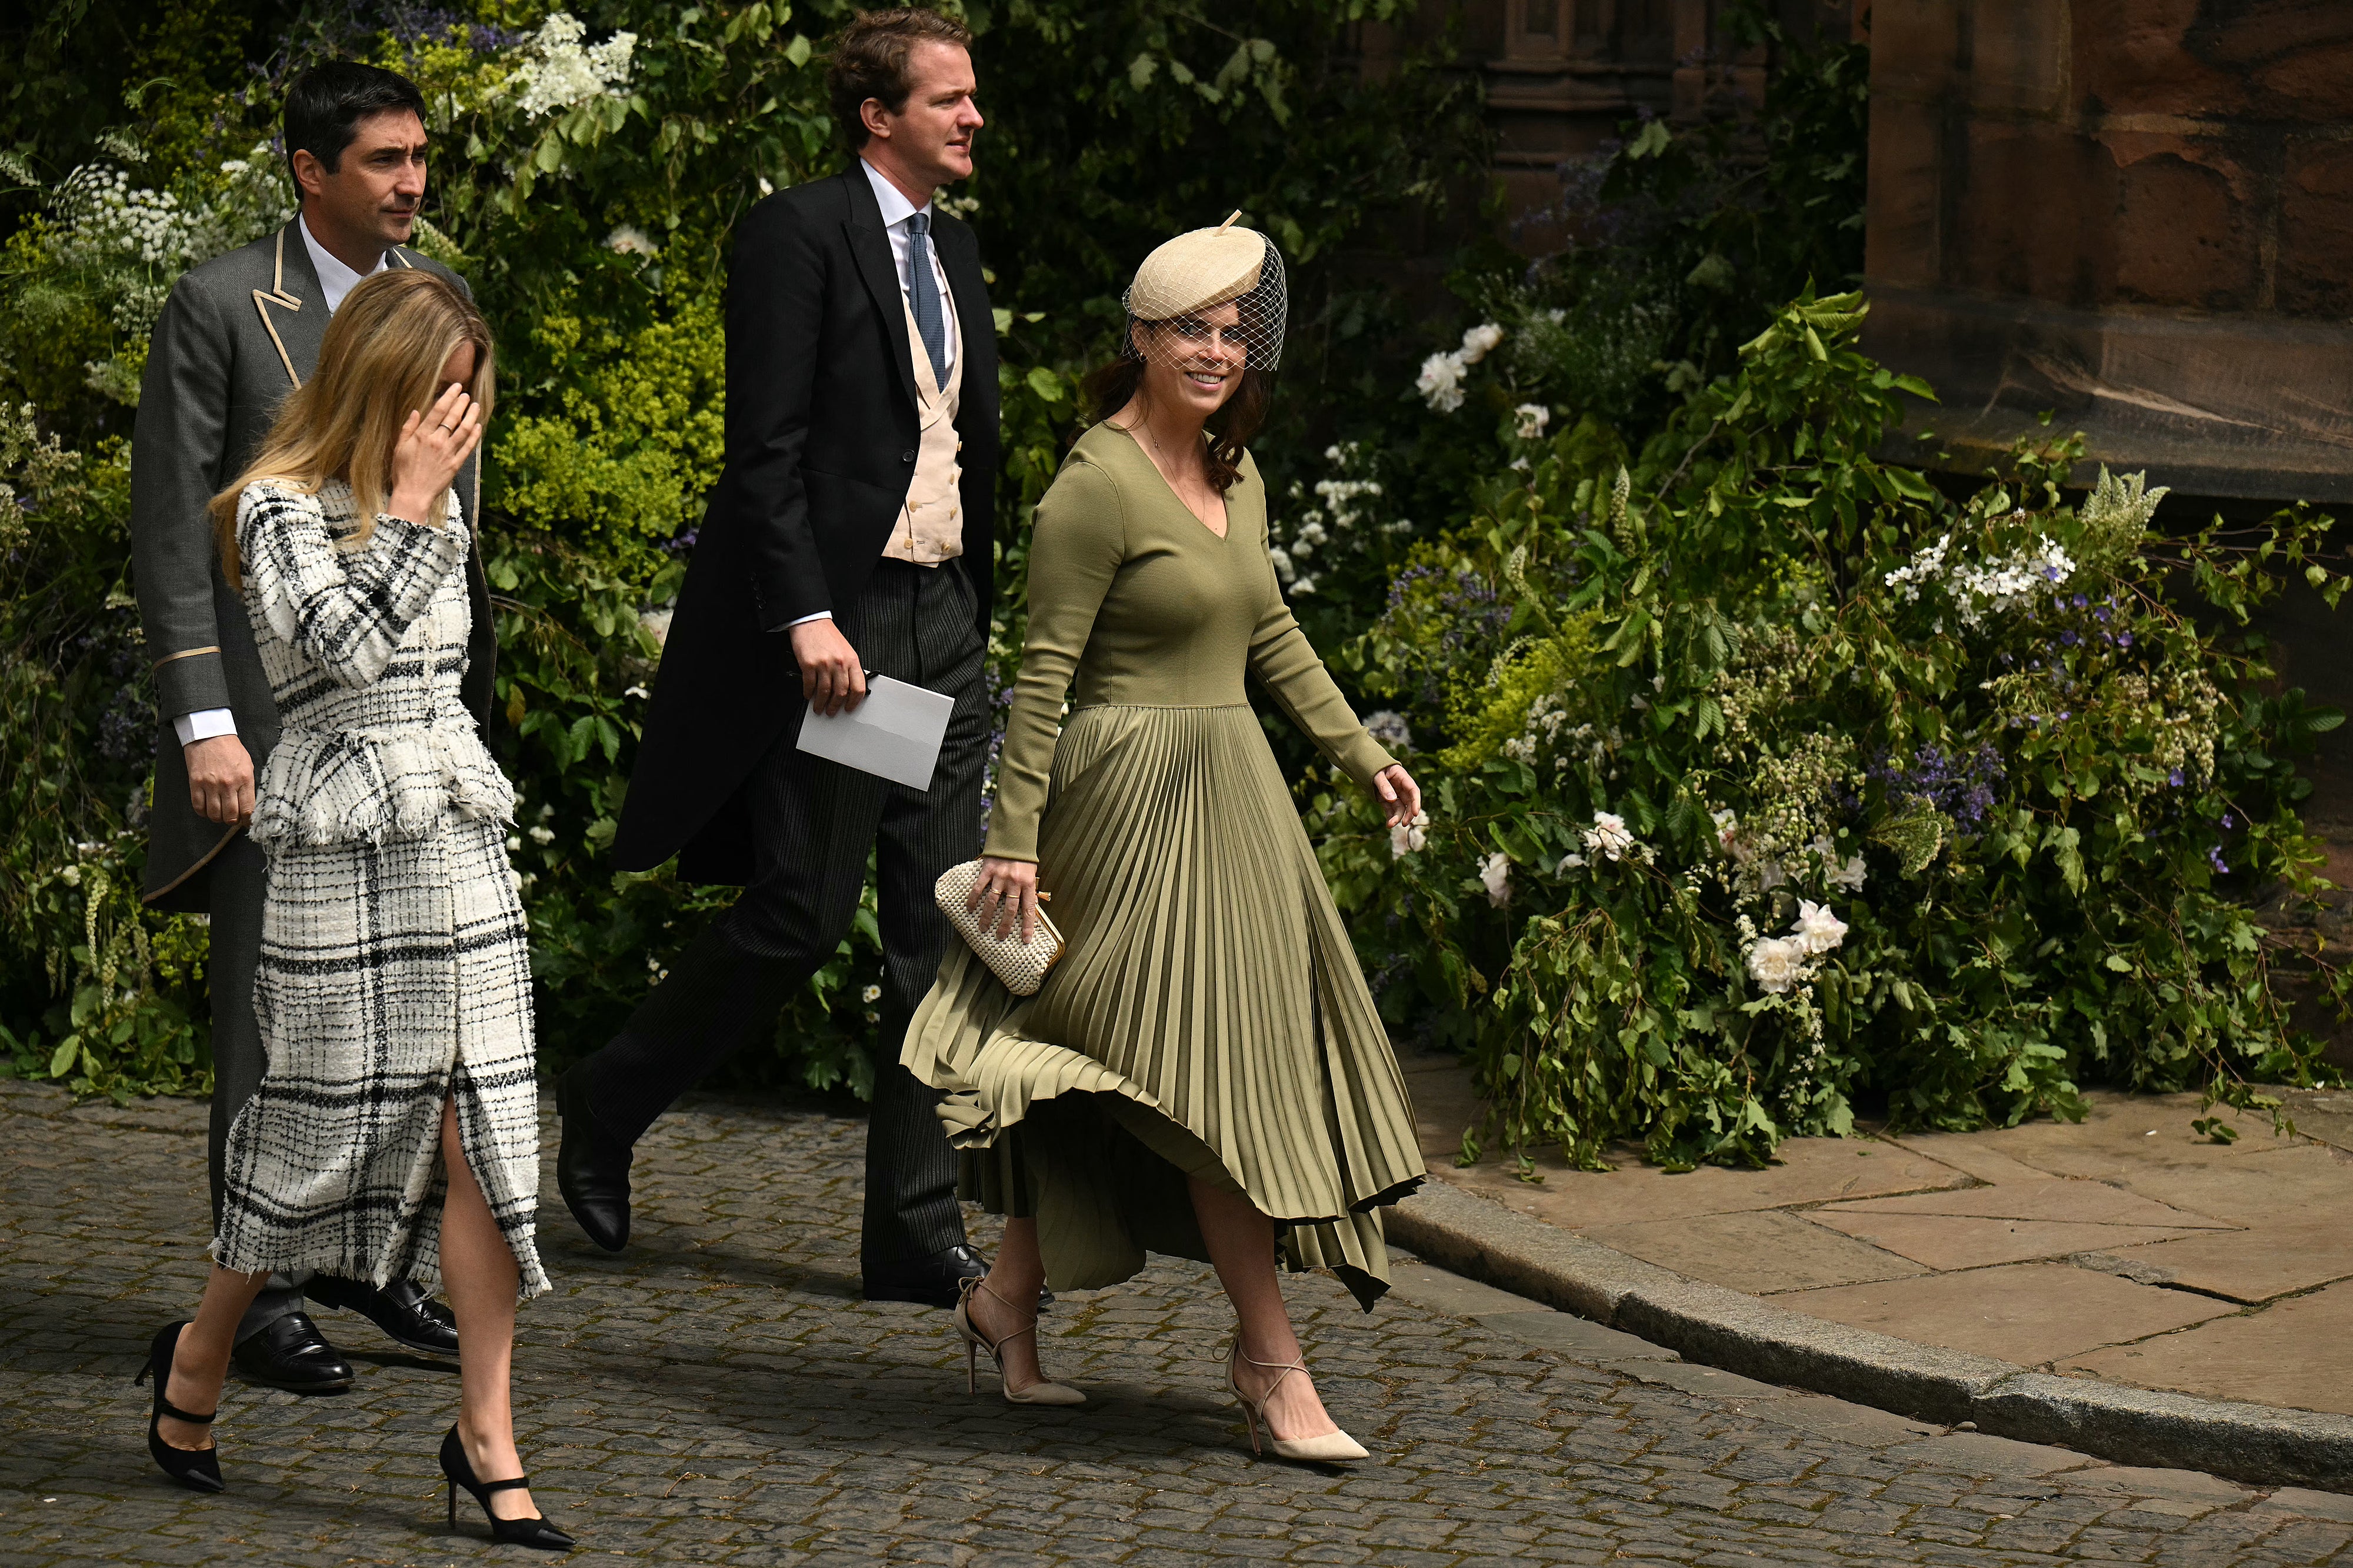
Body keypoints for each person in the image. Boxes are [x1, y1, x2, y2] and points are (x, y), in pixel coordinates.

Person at [901, 221, 1427, 1459]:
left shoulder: (1237, 474)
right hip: (1121, 811)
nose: (1213, 349)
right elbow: (1041, 677)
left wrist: (1361, 755)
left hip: (1236, 803)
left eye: (1233, 328)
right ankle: (1272, 1363)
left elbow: (1272, 631)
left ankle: (1004, 1302)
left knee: (1165, 1074)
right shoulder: (1094, 483)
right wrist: (1015, 843)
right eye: (1188, 326)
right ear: (1137, 338)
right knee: (1198, 1086)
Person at [555, 8, 1007, 1310]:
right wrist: (806, 616)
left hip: (943, 624)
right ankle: (610, 1091)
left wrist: (977, 604)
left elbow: (960, 443)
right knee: (803, 914)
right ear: (877, 115)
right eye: (948, 101)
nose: (972, 118)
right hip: (853, 634)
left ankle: (912, 1234)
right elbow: (763, 452)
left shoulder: (956, 252)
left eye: (970, 99)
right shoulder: (797, 235)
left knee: (940, 930)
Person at [136, 269, 572, 1552]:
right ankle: (202, 1352)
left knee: (484, 1131)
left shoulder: (427, 505)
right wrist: (413, 509)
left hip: (452, 821)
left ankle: (487, 1437)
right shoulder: (275, 507)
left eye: (469, 400)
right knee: (313, 1121)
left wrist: (422, 508)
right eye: (441, 394)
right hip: (334, 830)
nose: (458, 418)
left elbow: (440, 665)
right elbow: (342, 651)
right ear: (379, 381)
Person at [129, 60, 483, 1392]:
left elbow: (451, 526)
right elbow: (172, 530)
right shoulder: (221, 305)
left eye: (419, 156)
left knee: (411, 1010)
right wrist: (206, 723)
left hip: (414, 731)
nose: (412, 181)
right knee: (275, 1028)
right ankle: (254, 1294)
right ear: (309, 172)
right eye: (387, 159)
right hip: (273, 731)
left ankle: (365, 1267)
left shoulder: (437, 305)